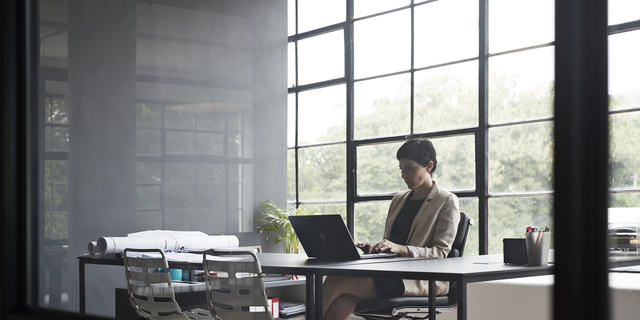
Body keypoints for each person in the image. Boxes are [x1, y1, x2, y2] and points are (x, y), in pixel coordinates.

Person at [321, 138, 460, 320]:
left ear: (429, 166)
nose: (404, 175)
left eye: (410, 168)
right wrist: (376, 249)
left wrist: (401, 249)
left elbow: (441, 252)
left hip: (422, 279)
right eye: (401, 169)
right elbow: (393, 242)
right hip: (390, 272)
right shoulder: (398, 199)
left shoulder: (446, 200)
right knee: (344, 301)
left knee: (335, 280)